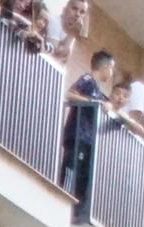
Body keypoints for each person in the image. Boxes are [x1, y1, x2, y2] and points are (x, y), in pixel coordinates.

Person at [61, 50, 115, 217]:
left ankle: (76, 211)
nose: (111, 73)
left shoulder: (99, 92)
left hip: (89, 140)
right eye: (112, 68)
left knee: (83, 178)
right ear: (105, 67)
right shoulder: (87, 80)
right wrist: (94, 102)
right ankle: (63, 199)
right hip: (78, 135)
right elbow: (70, 94)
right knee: (72, 168)